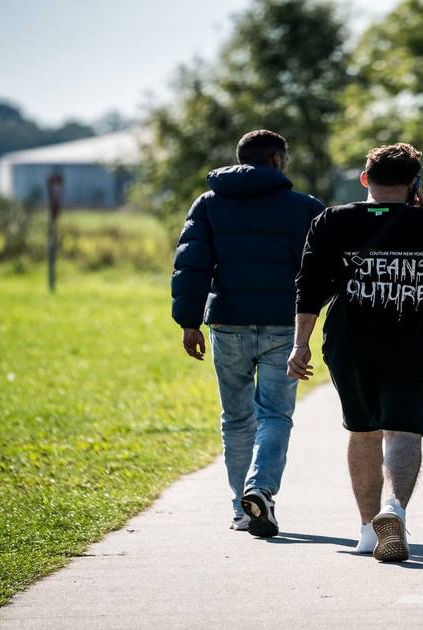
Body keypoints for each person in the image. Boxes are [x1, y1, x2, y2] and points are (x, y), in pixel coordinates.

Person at [289, 143, 423, 562]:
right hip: (413, 342)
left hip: (350, 343)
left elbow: (310, 284)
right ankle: (395, 509)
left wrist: (300, 343)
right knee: (404, 428)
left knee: (362, 429)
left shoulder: (332, 220)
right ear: (413, 184)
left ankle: (368, 531)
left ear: (365, 179)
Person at [172, 130, 324, 537]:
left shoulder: (209, 203)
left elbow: (192, 266)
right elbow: (320, 271)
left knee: (236, 418)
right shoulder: (305, 207)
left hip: (228, 323)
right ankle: (261, 490)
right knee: (274, 414)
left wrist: (188, 322)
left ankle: (243, 509)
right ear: (277, 159)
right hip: (282, 325)